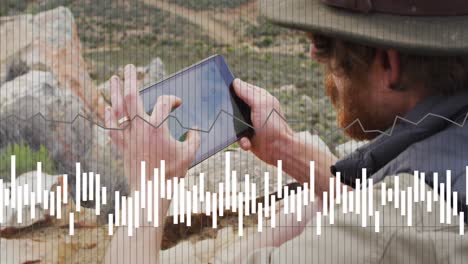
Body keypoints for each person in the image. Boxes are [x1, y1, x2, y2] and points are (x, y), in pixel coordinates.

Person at [103, 0, 468, 263]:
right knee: (308, 207)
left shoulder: (394, 227)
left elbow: (380, 225)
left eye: (326, 41)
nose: (311, 52)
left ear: (389, 64)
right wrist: (287, 149)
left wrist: (150, 187)